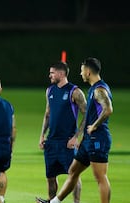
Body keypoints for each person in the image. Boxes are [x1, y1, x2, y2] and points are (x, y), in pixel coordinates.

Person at [36, 57, 113, 203]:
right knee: (73, 172)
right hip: (87, 140)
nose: (80, 73)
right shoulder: (92, 89)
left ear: (88, 71)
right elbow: (48, 114)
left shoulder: (99, 89)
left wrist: (94, 125)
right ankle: (53, 202)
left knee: (100, 177)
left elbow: (108, 109)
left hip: (98, 138)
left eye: (82, 70)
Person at [37, 62, 87, 203]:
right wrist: (42, 135)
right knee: (51, 176)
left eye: (52, 73)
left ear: (61, 73)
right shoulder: (50, 90)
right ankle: (51, 200)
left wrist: (76, 137)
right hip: (51, 142)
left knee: (73, 175)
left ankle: (76, 202)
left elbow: (87, 114)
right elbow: (47, 114)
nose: (50, 75)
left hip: (67, 143)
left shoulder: (75, 92)